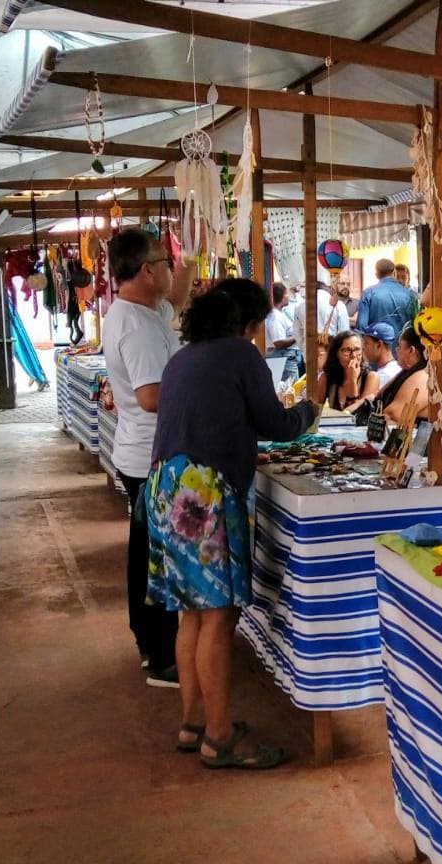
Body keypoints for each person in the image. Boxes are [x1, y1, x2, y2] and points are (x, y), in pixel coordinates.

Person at [146, 278, 319, 769]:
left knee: (191, 614)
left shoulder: (183, 358)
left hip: (166, 487)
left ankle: (193, 723)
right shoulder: (241, 355)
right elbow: (277, 425)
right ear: (248, 322)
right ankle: (219, 738)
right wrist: (312, 407)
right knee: (218, 618)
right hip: (204, 491)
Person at [103, 228, 191, 687]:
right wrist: (202, 392)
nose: (169, 268)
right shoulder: (135, 326)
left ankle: (151, 643)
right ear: (144, 270)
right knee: (154, 561)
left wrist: (197, 248)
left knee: (147, 556)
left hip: (144, 451)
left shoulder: (144, 309)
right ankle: (159, 654)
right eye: (164, 261)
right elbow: (152, 395)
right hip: (149, 457)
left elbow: (176, 299)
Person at [318, 330, 380, 424]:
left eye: (357, 350)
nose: (353, 356)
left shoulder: (371, 377)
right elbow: (315, 410)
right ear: (336, 354)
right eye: (347, 350)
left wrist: (352, 380)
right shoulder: (327, 377)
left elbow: (359, 414)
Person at [358, 258, 419, 350]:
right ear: (394, 272)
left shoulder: (368, 293)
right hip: (403, 350)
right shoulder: (409, 295)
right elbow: (416, 324)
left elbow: (362, 326)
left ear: (377, 274)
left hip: (377, 350)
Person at [379, 326, 430, 426]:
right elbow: (378, 397)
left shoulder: (422, 377)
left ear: (411, 351)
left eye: (399, 347)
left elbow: (392, 415)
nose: (397, 351)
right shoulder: (406, 372)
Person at [290, 281, 349, 359]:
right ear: (327, 288)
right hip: (331, 354)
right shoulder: (339, 305)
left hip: (310, 353)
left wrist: (304, 349)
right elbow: (344, 333)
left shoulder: (300, 307)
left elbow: (297, 333)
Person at [264, 283, 300, 381]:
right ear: (282, 296)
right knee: (290, 389)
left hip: (287, 358)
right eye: (287, 294)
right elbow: (279, 343)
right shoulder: (275, 317)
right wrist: (298, 336)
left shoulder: (281, 314)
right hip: (283, 359)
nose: (288, 297)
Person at [361, 322, 401, 389]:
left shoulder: (384, 375)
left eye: (366, 343)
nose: (363, 347)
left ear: (378, 345)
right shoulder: (396, 367)